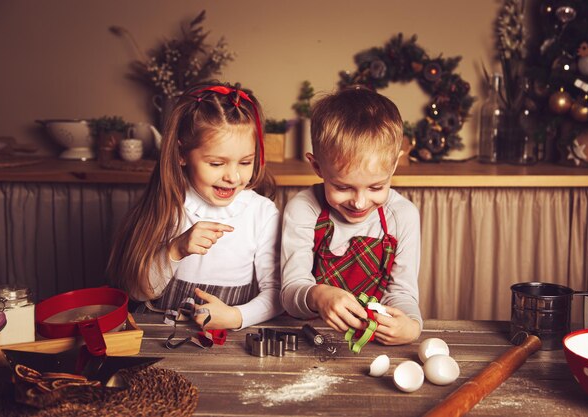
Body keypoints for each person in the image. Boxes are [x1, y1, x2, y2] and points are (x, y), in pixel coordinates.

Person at [107, 82, 283, 330]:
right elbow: (138, 292)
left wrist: (236, 316)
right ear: (182, 155)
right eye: (216, 163)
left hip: (230, 341)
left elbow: (277, 294)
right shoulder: (169, 205)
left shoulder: (262, 213)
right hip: (159, 334)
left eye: (245, 162)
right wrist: (175, 250)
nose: (232, 177)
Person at [280, 86, 422, 345]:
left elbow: (402, 293)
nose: (359, 202)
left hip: (371, 345)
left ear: (394, 165)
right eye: (343, 187)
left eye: (376, 187)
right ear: (316, 166)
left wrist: (411, 326)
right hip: (309, 338)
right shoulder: (303, 209)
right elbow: (290, 292)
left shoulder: (403, 216)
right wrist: (318, 296)